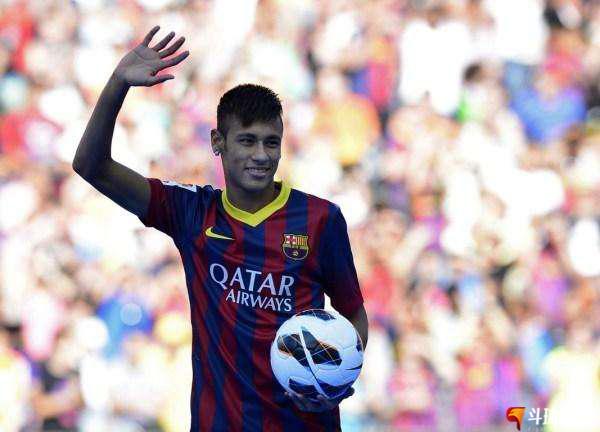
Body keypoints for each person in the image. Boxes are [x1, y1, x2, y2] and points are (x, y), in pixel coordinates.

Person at [72, 25, 368, 432]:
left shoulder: (320, 219)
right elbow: (91, 165)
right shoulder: (190, 211)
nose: (261, 155)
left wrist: (341, 374)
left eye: (271, 142)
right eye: (247, 140)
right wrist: (117, 84)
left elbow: (353, 312)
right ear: (218, 142)